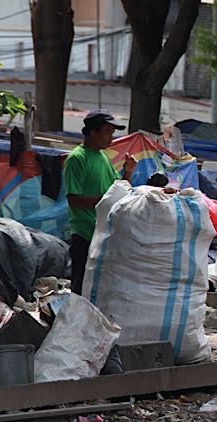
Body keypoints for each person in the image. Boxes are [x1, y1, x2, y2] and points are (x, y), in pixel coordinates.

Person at [65, 109, 137, 295]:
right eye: (107, 132)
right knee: (80, 288)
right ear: (91, 132)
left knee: (99, 289)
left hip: (102, 233)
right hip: (83, 234)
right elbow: (73, 201)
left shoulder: (103, 157)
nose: (110, 138)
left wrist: (128, 172)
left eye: (112, 133)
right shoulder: (77, 158)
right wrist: (105, 201)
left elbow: (119, 189)